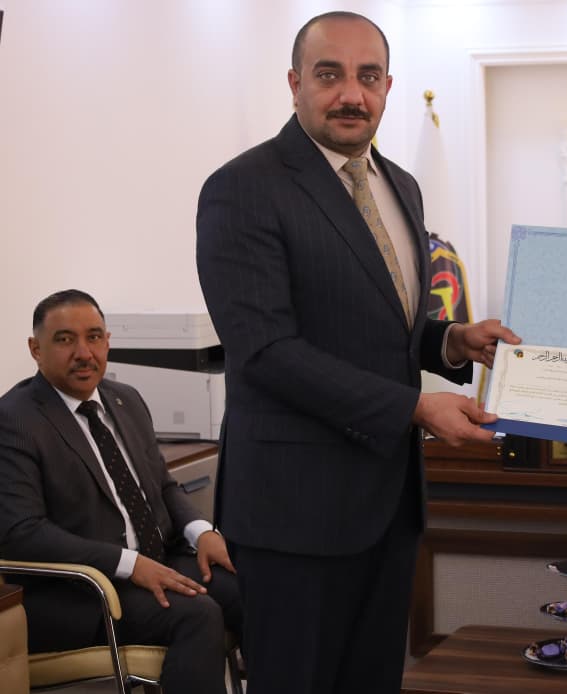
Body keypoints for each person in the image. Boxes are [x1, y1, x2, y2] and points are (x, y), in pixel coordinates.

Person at [195, 11, 519, 693]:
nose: (351, 94)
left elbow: (381, 323)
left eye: (368, 77)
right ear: (295, 84)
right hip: (294, 517)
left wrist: (450, 339)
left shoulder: (401, 185)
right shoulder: (243, 188)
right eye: (329, 75)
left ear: (388, 87)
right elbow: (266, 352)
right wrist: (415, 409)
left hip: (389, 507)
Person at [0, 289, 242, 694]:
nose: (83, 352)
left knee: (251, 588)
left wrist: (202, 532)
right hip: (79, 590)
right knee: (197, 615)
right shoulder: (15, 421)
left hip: (158, 559)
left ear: (108, 341)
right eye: (65, 340)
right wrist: (129, 563)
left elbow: (163, 486)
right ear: (35, 349)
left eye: (94, 337)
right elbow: (22, 533)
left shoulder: (124, 399)